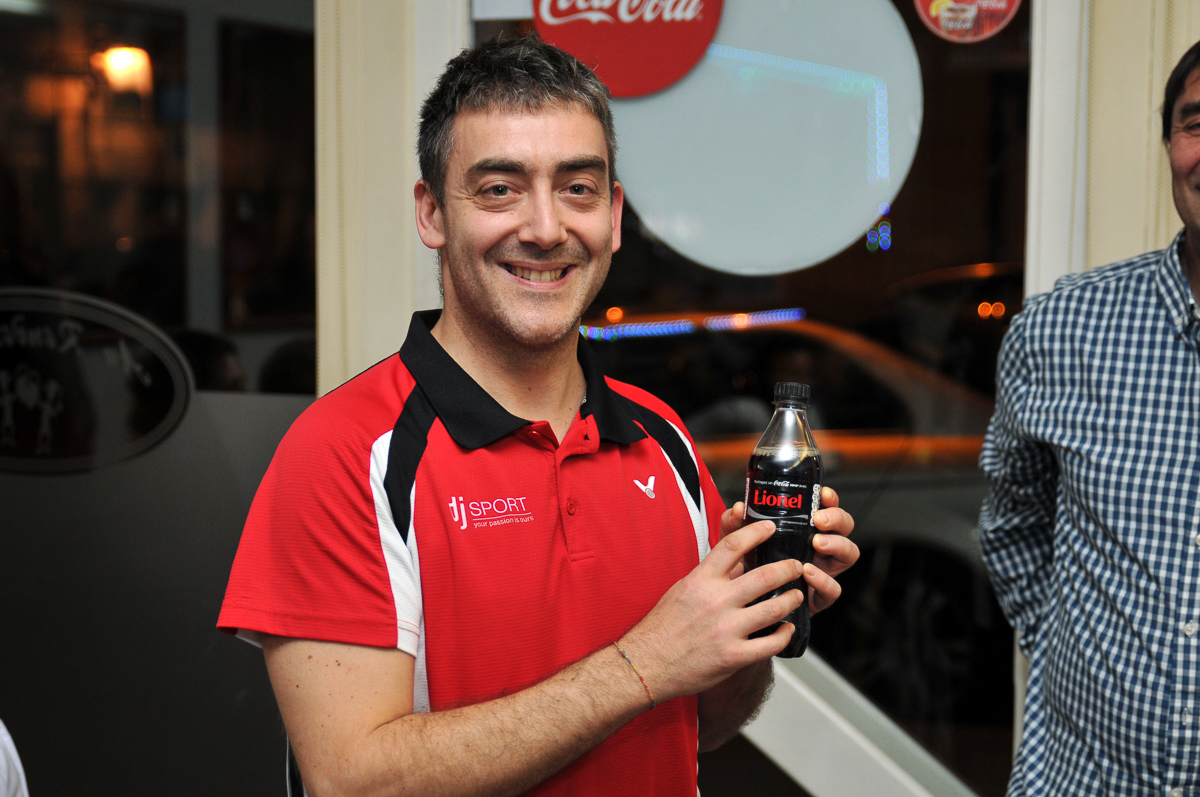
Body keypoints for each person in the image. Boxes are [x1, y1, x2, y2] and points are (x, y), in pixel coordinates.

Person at [218, 35, 858, 797]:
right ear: (432, 212)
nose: (547, 227)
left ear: (613, 216)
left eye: (578, 188)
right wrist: (644, 662)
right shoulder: (343, 452)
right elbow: (353, 781)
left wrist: (755, 609)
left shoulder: (663, 440)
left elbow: (701, 720)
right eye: (500, 189)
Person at [979, 40, 1200, 797]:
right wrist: (1072, 652)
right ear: (1169, 144)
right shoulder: (1063, 329)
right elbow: (1013, 521)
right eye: (1195, 122)